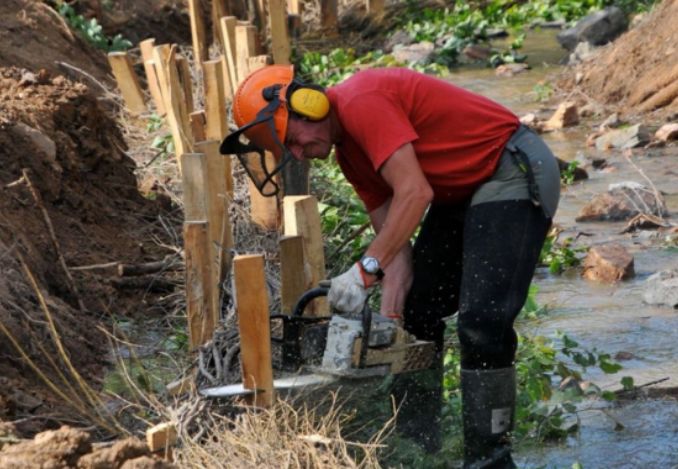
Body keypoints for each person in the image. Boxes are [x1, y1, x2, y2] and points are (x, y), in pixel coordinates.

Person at [221, 65, 560, 468]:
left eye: (294, 141)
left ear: (306, 106)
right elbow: (396, 255)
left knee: (482, 321)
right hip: (463, 189)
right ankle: (417, 448)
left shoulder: (362, 101)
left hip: (510, 168)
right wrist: (389, 321)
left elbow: (415, 193)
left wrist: (363, 273)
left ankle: (490, 459)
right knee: (419, 311)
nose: (298, 153)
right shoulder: (351, 157)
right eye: (288, 151)